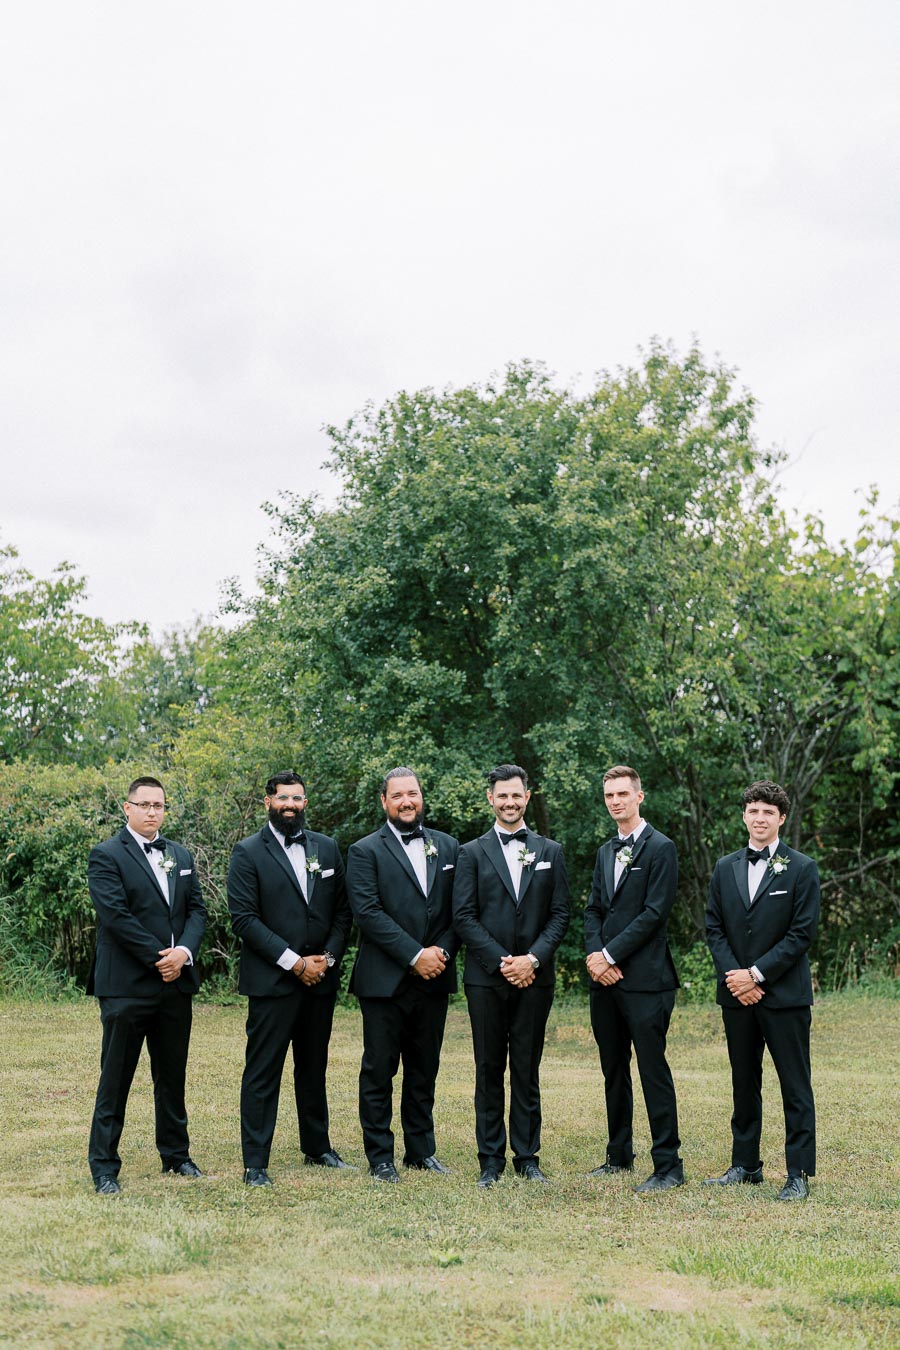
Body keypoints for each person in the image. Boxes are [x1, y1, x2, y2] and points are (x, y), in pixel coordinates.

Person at [228, 771, 352, 1187]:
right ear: (268, 802)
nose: (290, 805)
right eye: (283, 798)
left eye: (297, 798)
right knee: (263, 1072)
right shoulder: (248, 852)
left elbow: (343, 912)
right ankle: (255, 1162)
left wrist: (326, 960)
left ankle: (317, 1147)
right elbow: (244, 919)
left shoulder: (326, 847)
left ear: (305, 803)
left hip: (320, 980)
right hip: (273, 983)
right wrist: (295, 963)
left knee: (313, 1067)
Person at [87, 776, 206, 1194]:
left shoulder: (180, 854)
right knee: (115, 1077)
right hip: (126, 985)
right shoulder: (106, 855)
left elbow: (197, 910)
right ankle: (104, 1167)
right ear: (128, 808)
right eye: (145, 804)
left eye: (159, 805)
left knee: (172, 1075)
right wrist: (162, 959)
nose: (153, 812)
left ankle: (176, 1155)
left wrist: (184, 953)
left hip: (175, 985)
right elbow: (115, 916)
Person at [452, 764, 569, 1188]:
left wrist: (532, 960)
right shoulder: (470, 853)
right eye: (502, 795)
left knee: (526, 1067)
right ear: (491, 798)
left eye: (516, 795)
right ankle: (490, 1159)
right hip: (487, 978)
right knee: (488, 1068)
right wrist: (505, 961)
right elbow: (463, 916)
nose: (509, 802)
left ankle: (527, 1156)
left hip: (535, 979)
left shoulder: (550, 851)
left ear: (527, 797)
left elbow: (560, 915)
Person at [705, 780, 820, 1201]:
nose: (759, 818)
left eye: (768, 812)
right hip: (736, 995)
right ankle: (745, 1164)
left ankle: (797, 1174)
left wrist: (756, 974)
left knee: (795, 1084)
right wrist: (736, 977)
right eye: (753, 810)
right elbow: (714, 927)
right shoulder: (725, 867)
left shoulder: (802, 868)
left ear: (781, 818)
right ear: (744, 816)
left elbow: (801, 933)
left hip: (784, 996)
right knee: (743, 1081)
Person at [345, 767, 459, 1182]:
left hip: (435, 976)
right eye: (397, 796)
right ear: (384, 801)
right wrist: (414, 955)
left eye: (412, 793)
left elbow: (459, 910)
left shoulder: (448, 846)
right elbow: (367, 913)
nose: (406, 802)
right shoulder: (364, 851)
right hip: (384, 981)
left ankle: (421, 1151)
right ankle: (380, 1157)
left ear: (421, 797)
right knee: (379, 1070)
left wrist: (440, 952)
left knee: (424, 1069)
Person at [584, 766, 684, 1194]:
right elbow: (593, 909)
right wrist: (595, 958)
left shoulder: (661, 847)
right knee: (613, 1068)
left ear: (639, 797)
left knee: (652, 1069)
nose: (615, 801)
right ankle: (618, 1155)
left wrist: (609, 954)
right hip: (604, 982)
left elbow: (654, 913)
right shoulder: (605, 851)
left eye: (622, 794)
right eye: (609, 795)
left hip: (646, 980)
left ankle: (669, 1165)